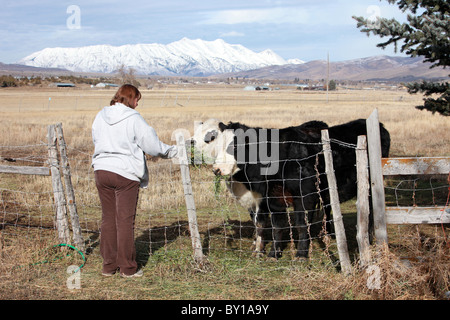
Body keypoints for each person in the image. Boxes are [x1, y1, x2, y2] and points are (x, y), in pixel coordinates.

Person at [92, 84, 177, 278]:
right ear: (129, 98)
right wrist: (173, 150)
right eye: (136, 99)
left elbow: (96, 139)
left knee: (108, 219)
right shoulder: (133, 118)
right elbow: (153, 146)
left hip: (101, 170)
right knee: (124, 221)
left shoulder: (100, 115)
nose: (137, 103)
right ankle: (128, 268)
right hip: (125, 173)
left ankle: (108, 266)